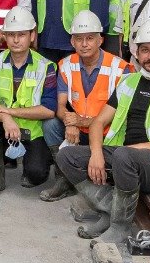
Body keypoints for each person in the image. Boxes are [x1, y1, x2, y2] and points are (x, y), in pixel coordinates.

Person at [56, 22, 150, 242]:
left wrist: (143, 147)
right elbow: (97, 123)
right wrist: (96, 154)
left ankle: (120, 226)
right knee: (66, 155)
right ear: (137, 53)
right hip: (126, 158)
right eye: (145, 50)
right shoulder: (128, 82)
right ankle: (111, 210)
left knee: (124, 154)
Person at [0, 8, 57, 197]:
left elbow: (50, 109)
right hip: (3, 128)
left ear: (32, 35)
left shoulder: (47, 66)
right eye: (11, 35)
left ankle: (31, 163)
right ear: (4, 36)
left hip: (33, 132)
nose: (16, 40)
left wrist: (9, 112)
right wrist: (6, 118)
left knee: (35, 175)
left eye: (21, 35)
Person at [45, 11, 130, 201]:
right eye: (79, 39)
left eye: (90, 38)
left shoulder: (120, 69)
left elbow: (121, 116)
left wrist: (82, 121)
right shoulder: (66, 65)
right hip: (78, 131)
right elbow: (60, 106)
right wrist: (71, 123)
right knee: (50, 125)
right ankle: (64, 179)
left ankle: (99, 178)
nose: (84, 44)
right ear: (72, 42)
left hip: (107, 133)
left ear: (100, 40)